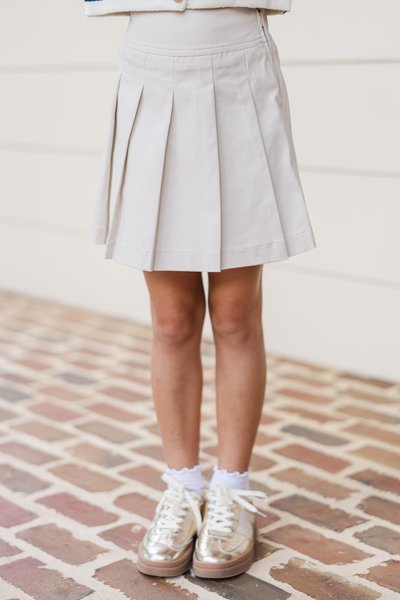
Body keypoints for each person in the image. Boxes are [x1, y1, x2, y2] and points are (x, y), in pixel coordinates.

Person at [84, 0, 316, 579]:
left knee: (234, 316)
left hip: (238, 58)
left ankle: (232, 491)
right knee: (172, 320)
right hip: (150, 62)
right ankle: (183, 488)